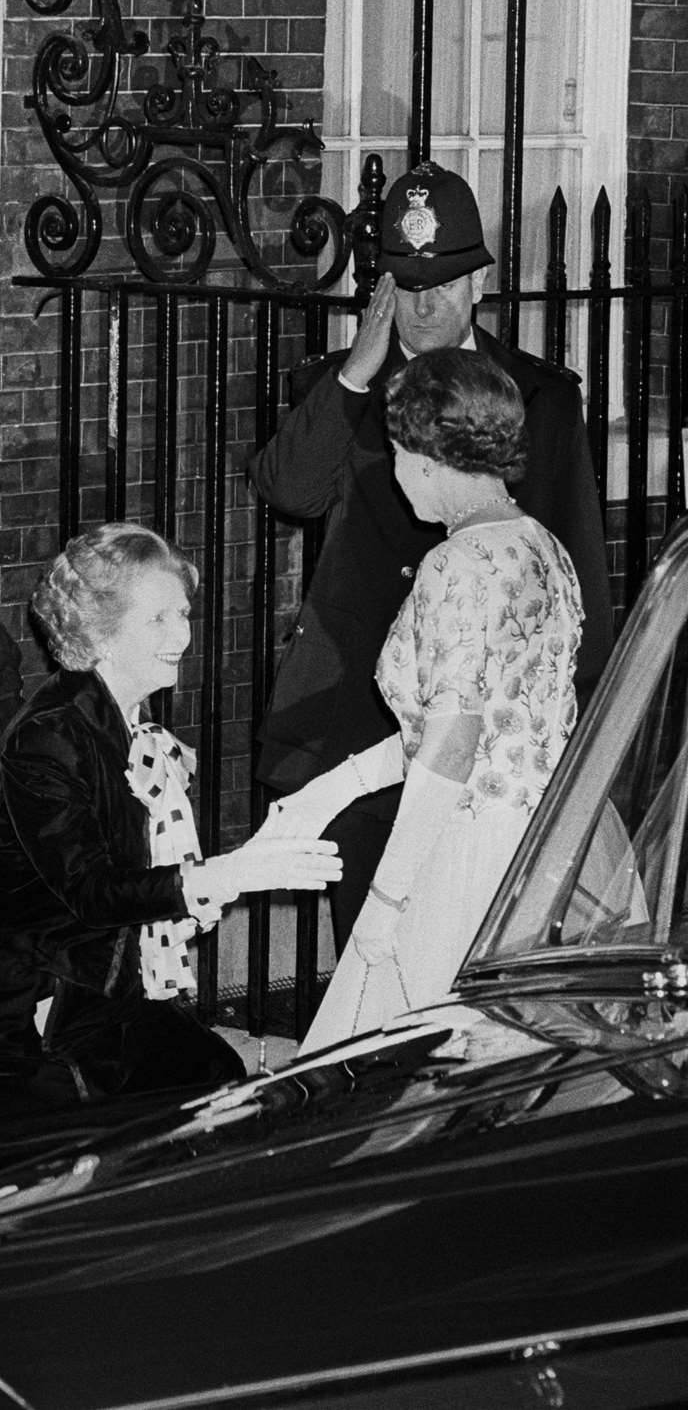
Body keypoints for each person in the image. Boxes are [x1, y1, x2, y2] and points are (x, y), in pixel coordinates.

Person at [247, 161, 612, 958]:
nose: (425, 305)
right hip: (367, 716)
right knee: (373, 953)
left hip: (492, 754)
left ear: (478, 283)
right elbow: (289, 491)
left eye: (444, 283)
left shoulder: (537, 398)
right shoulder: (343, 388)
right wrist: (356, 371)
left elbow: (574, 566)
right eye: (407, 285)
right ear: (382, 290)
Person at [0, 524, 340, 1130]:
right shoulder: (49, 736)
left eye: (182, 613)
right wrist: (229, 873)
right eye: (156, 620)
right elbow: (92, 893)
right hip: (7, 1016)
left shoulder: (123, 720)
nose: (181, 635)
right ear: (98, 631)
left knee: (217, 1088)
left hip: (97, 988)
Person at [264, 349, 583, 1046]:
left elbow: (453, 743)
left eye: (402, 454)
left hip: (464, 856)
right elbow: (470, 727)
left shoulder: (455, 564)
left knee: (389, 1065)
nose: (399, 474)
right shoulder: (543, 547)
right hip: (541, 848)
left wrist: (388, 897)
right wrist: (332, 789)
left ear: (430, 460)